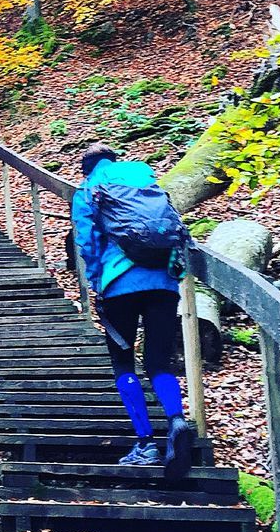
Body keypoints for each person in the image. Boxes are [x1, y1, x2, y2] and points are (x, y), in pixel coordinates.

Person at [71, 142, 195, 478]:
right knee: (159, 361)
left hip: (118, 284)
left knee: (124, 362)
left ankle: (145, 443)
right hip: (164, 282)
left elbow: (88, 244)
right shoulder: (146, 181)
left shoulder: (87, 190)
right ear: (114, 160)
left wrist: (98, 285)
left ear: (86, 167)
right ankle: (176, 419)